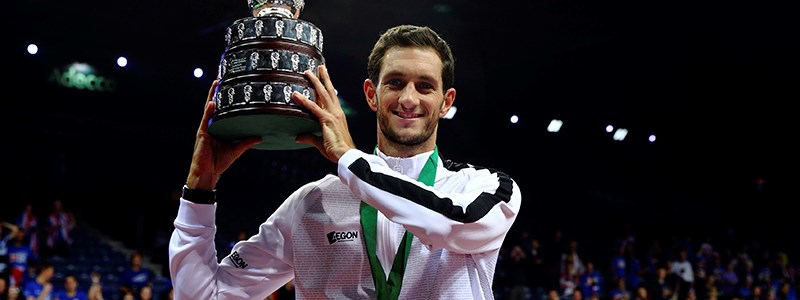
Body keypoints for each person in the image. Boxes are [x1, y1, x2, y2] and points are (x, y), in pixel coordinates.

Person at [169, 24, 522, 299]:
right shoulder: (310, 204)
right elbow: (203, 295)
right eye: (395, 83)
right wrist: (199, 190)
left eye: (425, 86)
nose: (409, 99)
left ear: (446, 102)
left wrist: (349, 159)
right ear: (372, 94)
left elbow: (450, 225)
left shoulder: (484, 189)